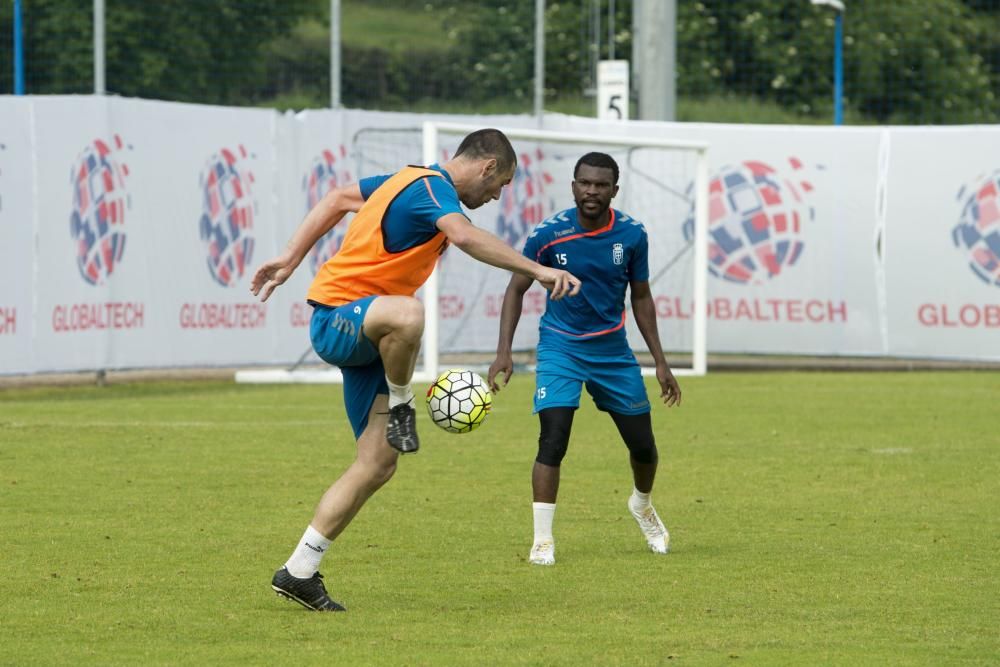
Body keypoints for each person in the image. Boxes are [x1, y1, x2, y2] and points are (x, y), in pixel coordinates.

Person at [251, 129, 581, 610]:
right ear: (488, 167)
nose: (497, 196)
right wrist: (540, 270)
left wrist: (290, 256)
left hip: (371, 336)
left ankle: (300, 570)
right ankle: (403, 401)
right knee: (409, 313)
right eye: (501, 184)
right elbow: (464, 236)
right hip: (340, 321)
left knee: (378, 464)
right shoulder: (431, 189)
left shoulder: (406, 179)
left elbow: (340, 196)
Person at [487, 151, 681, 566]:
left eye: (600, 185)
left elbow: (641, 297)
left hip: (612, 351)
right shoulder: (548, 234)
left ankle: (642, 505)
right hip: (561, 347)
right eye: (584, 183)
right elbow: (516, 289)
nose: (591, 191)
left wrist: (660, 362)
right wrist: (503, 352)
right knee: (553, 439)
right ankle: (542, 541)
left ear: (614, 189)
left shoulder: (632, 235)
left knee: (643, 447)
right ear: (573, 185)